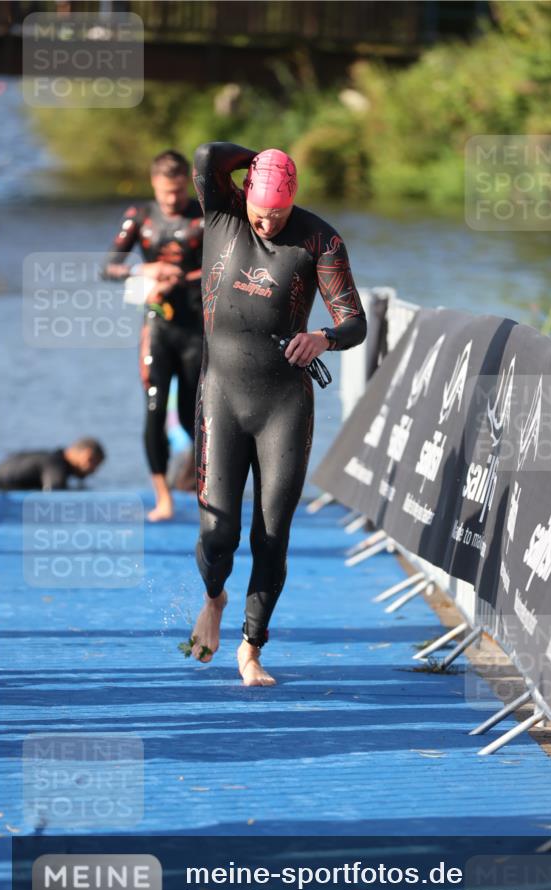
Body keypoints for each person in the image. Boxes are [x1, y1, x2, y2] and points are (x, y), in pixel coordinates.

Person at [189, 141, 367, 686]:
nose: (267, 225)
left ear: (295, 205)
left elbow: (354, 320)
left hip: (283, 404)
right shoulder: (221, 211)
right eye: (260, 214)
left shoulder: (319, 239)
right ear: (245, 195)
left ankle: (251, 648)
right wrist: (262, 157)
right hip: (221, 393)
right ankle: (214, 598)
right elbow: (206, 155)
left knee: (272, 533)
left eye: (279, 216)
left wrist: (324, 337)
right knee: (219, 534)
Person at [102, 150, 203, 522]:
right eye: (165, 195)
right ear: (154, 186)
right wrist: (148, 269)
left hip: (197, 328)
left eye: (178, 193)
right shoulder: (140, 216)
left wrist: (179, 276)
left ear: (186, 185)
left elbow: (223, 268)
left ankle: (208, 491)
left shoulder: (204, 216)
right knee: (154, 410)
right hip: (158, 328)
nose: (172, 201)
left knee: (197, 413)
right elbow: (110, 267)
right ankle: (164, 497)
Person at [0, 438, 105, 491]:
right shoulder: (55, 465)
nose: (92, 470)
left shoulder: (47, 459)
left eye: (96, 466)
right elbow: (54, 493)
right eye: (91, 461)